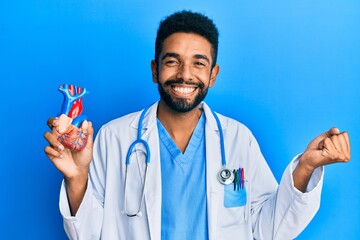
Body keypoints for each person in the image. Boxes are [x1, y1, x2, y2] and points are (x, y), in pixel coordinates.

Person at [44, 10, 351, 240]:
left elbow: (268, 228)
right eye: (172, 61)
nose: (184, 74)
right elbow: (87, 234)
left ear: (213, 75)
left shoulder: (236, 140)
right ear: (155, 69)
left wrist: (305, 168)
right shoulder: (114, 137)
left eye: (199, 63)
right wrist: (77, 177)